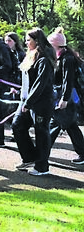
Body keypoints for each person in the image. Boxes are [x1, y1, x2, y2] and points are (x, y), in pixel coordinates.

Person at [12, 28, 55, 176]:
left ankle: (42, 167)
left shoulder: (43, 59)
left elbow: (40, 83)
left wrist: (29, 102)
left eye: (28, 39)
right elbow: (27, 79)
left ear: (36, 41)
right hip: (26, 100)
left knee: (41, 132)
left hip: (40, 103)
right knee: (17, 126)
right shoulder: (30, 56)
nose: (25, 42)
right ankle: (29, 157)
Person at [47, 28, 84, 165]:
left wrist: (64, 99)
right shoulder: (61, 57)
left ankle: (41, 153)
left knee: (55, 124)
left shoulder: (67, 59)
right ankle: (82, 152)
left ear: (55, 44)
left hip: (66, 98)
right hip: (65, 97)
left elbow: (68, 81)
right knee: (70, 126)